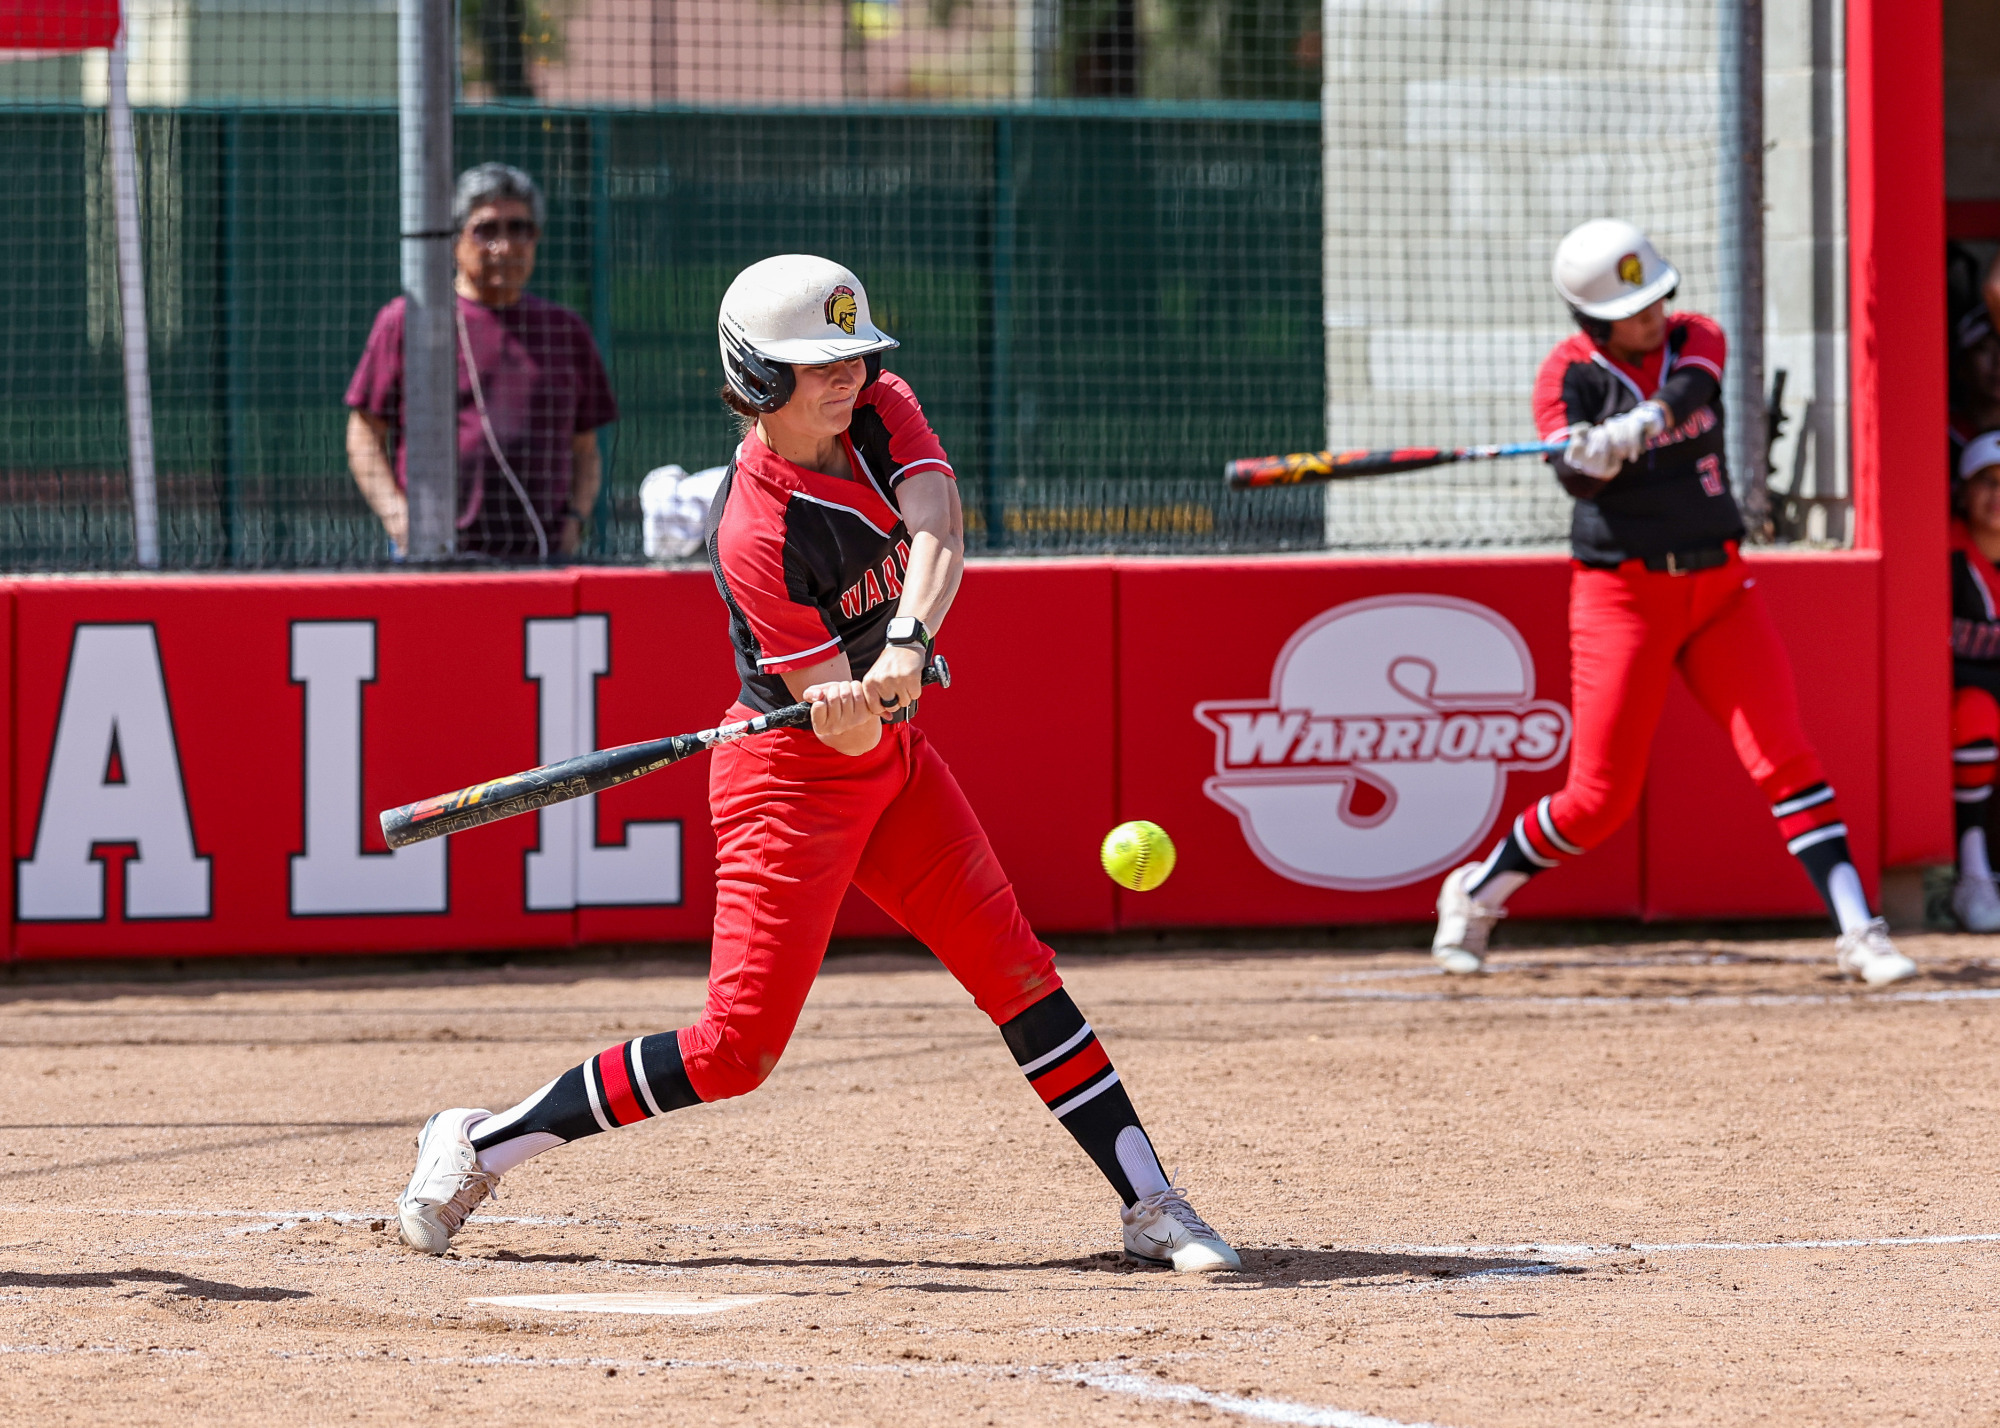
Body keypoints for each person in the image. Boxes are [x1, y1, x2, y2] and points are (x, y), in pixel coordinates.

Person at [393, 255, 1240, 1273]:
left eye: (852, 357)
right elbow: (836, 731)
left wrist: (903, 648)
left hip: (892, 761)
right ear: (755, 377)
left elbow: (938, 525)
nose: (845, 380)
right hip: (789, 781)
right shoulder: (754, 527)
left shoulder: (878, 408)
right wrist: (845, 701)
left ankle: (1150, 1203)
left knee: (1017, 973)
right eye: (815, 366)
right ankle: (478, 1142)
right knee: (733, 1051)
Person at [1429, 218, 1916, 988]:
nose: (1654, 315)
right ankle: (1480, 891)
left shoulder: (1694, 336)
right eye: (1634, 308)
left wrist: (1644, 422)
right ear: (1591, 318)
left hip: (1720, 589)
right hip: (1622, 596)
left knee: (1785, 759)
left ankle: (1861, 931)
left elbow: (1695, 389)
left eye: (1657, 297)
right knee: (1597, 802)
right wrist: (1588, 456)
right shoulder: (1567, 376)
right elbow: (1577, 481)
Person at [345, 163, 616, 561]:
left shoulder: (565, 330)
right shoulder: (411, 321)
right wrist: (397, 516)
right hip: (434, 555)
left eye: (520, 228)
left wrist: (575, 520)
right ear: (454, 239)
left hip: (543, 556)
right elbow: (364, 434)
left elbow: (586, 448)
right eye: (486, 229)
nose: (504, 246)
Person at [1949, 431, 2000, 931]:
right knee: (1975, 712)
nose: (1998, 497)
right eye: (1988, 482)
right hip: (1965, 707)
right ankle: (1972, 873)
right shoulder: (1942, 554)